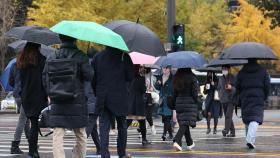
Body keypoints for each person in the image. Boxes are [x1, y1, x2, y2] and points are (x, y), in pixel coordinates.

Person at [43, 34, 93, 158]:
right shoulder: (81, 56)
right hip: (77, 99)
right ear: (75, 39)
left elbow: (45, 78)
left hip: (57, 99)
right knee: (80, 133)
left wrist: (50, 93)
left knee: (58, 133)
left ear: (60, 39)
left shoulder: (51, 56)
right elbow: (89, 76)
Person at [92, 46, 134, 158]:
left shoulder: (98, 57)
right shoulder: (123, 56)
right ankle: (121, 153)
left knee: (104, 127)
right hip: (119, 96)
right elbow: (130, 77)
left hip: (103, 96)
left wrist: (98, 92)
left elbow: (93, 78)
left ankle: (104, 154)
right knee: (122, 126)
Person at [17, 42, 48, 158]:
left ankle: (32, 150)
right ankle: (33, 151)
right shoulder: (42, 60)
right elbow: (44, 80)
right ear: (38, 46)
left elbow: (20, 80)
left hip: (25, 96)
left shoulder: (22, 60)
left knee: (30, 122)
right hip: (38, 96)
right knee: (35, 124)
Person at [236, 59, 270, 149]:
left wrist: (240, 96)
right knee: (255, 119)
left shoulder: (242, 72)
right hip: (258, 98)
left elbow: (237, 86)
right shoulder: (263, 71)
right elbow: (267, 86)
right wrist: (265, 97)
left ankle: (250, 140)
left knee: (248, 119)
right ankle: (250, 140)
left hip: (245, 98)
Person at [172, 68, 198, 151]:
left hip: (179, 102)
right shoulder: (192, 77)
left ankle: (189, 143)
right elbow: (194, 93)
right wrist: (197, 101)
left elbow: (174, 93)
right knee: (185, 123)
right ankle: (177, 140)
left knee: (184, 122)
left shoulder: (176, 77)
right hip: (189, 102)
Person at [9, 62, 30, 154]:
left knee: (25, 119)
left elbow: (11, 81)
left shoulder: (14, 65)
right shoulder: (29, 65)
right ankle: (14, 146)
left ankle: (31, 142)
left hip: (17, 95)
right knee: (23, 120)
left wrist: (17, 86)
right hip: (25, 95)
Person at [127, 65, 150, 146]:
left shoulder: (130, 77)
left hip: (131, 102)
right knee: (142, 122)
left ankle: (120, 136)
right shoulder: (141, 78)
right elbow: (143, 90)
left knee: (128, 121)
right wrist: (145, 86)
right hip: (139, 103)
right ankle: (144, 140)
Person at [85, 48, 101, 155]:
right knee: (90, 124)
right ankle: (78, 146)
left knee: (93, 125)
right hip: (94, 100)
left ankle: (99, 147)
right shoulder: (96, 67)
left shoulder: (84, 66)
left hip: (85, 99)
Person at [154, 66, 173, 141]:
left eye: (166, 68)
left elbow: (173, 89)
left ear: (169, 69)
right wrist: (158, 83)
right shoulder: (160, 77)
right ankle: (171, 134)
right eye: (163, 68)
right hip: (162, 100)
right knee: (165, 118)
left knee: (167, 117)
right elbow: (157, 87)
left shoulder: (172, 78)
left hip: (169, 100)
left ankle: (164, 134)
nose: (164, 69)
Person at [218, 66, 236, 137]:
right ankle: (233, 132)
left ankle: (226, 130)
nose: (224, 70)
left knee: (228, 115)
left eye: (225, 69)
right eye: (223, 69)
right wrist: (219, 96)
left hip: (231, 100)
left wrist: (231, 88)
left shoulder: (233, 77)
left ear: (229, 69)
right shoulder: (221, 78)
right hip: (223, 100)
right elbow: (219, 88)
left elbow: (236, 89)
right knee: (227, 116)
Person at [144, 67, 158, 135]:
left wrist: (152, 88)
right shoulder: (142, 76)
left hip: (150, 97)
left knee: (148, 115)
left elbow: (155, 88)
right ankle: (143, 130)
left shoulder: (153, 77)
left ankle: (152, 128)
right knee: (144, 115)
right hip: (143, 96)